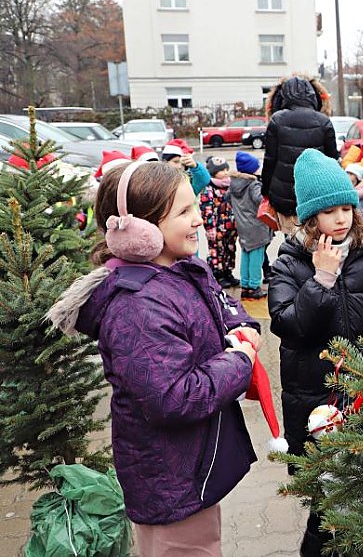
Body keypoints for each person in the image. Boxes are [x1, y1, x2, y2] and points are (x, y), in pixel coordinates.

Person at [48, 160, 260, 556]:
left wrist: (242, 328)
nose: (198, 219)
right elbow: (172, 398)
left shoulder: (182, 271)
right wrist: (240, 360)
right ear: (139, 230)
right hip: (170, 480)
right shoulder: (139, 306)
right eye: (183, 212)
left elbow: (222, 305)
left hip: (191, 467)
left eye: (195, 206)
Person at [267, 148, 363, 557]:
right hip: (315, 397)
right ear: (310, 218)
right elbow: (288, 325)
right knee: (326, 506)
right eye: (328, 212)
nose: (340, 218)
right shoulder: (290, 262)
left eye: (345, 208)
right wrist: (321, 278)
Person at [261, 75, 338, 234]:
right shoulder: (324, 121)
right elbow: (333, 161)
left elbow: (270, 160)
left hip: (284, 197)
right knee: (315, 242)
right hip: (315, 194)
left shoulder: (277, 120)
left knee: (291, 242)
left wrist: (266, 191)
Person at [230, 151, 273, 299]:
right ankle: (254, 287)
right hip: (256, 227)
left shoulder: (234, 184)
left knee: (246, 254)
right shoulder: (253, 185)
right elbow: (260, 200)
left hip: (242, 226)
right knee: (256, 257)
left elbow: (227, 198)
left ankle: (245, 285)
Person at [201, 156, 238, 287]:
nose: (226, 172)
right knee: (217, 250)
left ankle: (228, 272)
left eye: (226, 169)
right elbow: (207, 209)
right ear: (213, 172)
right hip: (217, 227)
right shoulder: (209, 188)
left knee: (230, 249)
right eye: (222, 170)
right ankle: (217, 274)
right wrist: (210, 227)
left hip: (231, 226)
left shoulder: (230, 185)